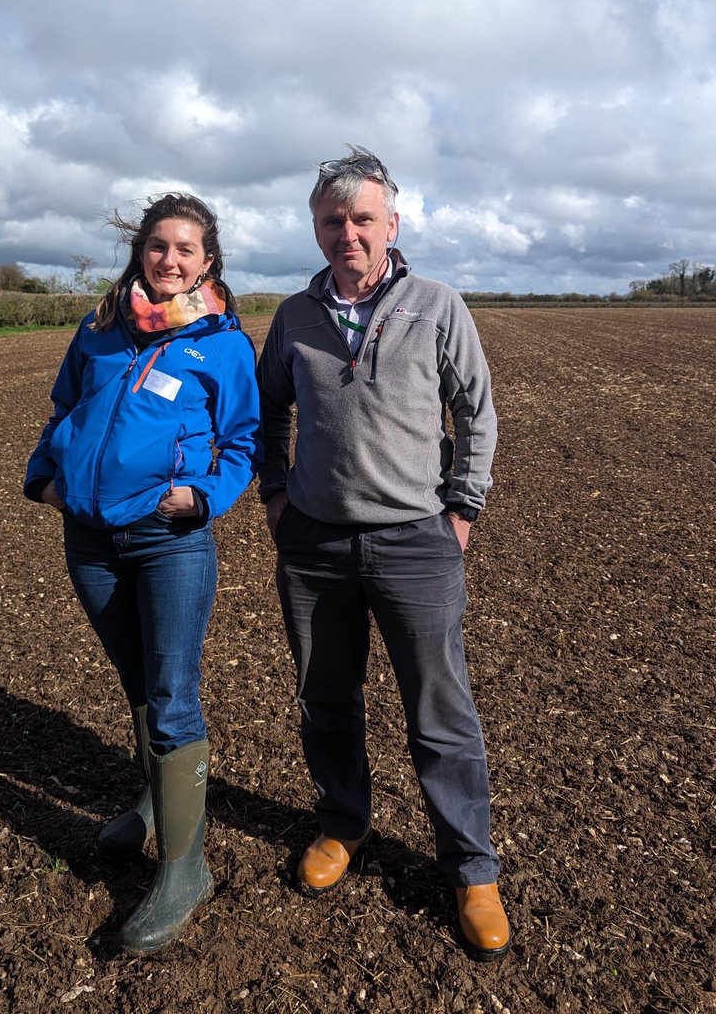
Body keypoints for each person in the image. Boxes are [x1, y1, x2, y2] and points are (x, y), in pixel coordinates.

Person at [257, 146, 509, 961]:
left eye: (363, 219)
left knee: (440, 711)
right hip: (317, 547)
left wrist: (460, 510)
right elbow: (266, 419)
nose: (348, 233)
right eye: (334, 221)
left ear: (391, 224)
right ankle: (343, 825)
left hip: (415, 543)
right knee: (325, 698)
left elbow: (478, 412)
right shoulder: (295, 316)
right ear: (318, 229)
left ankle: (471, 868)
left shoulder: (436, 304)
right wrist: (276, 499)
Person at [24, 193, 259, 955]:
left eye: (185, 249)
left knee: (172, 693)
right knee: (137, 680)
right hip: (88, 538)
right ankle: (155, 804)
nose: (169, 260)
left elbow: (245, 441)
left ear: (208, 261)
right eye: (158, 246)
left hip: (169, 540)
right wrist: (45, 480)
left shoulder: (221, 343)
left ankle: (184, 869)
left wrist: (203, 496)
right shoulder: (99, 330)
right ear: (142, 253)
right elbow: (62, 410)